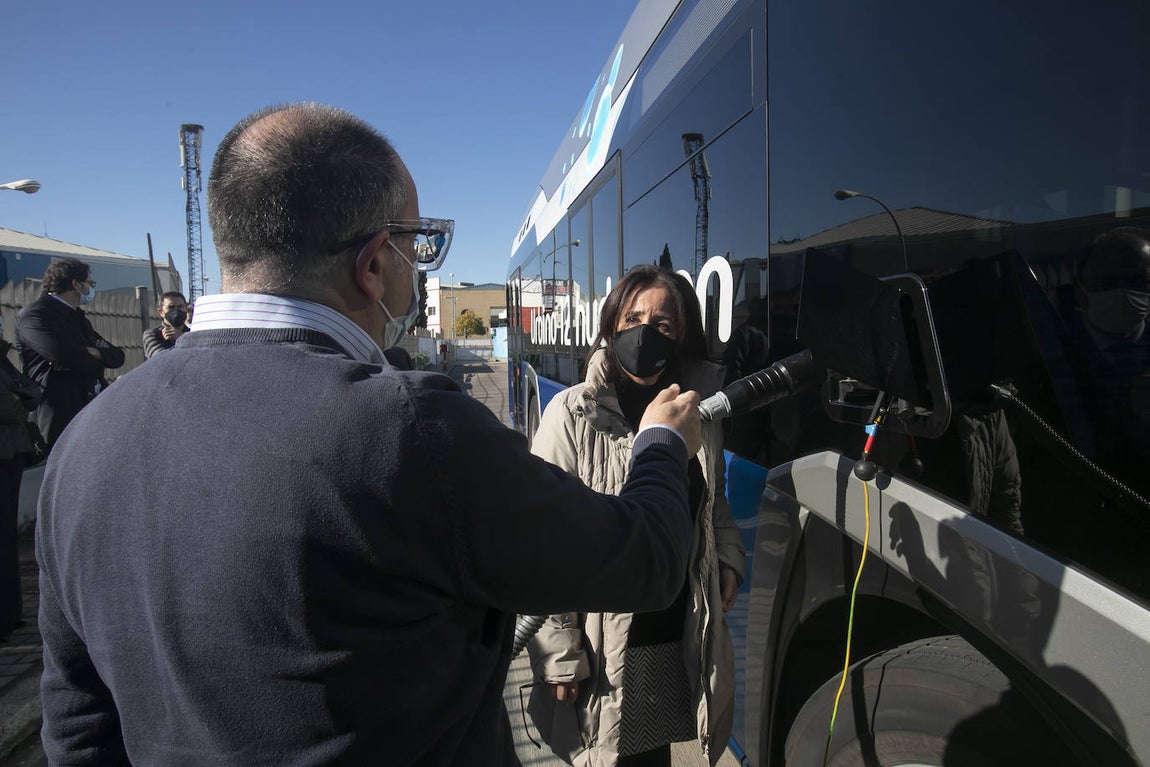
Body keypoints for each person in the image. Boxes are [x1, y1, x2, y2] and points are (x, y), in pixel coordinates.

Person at [36, 102, 704, 766]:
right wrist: (662, 443)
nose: (418, 270)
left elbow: (78, 729)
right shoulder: (414, 430)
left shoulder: (84, 446)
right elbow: (644, 558)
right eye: (415, 247)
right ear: (374, 264)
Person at [527, 264, 745, 767]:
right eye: (634, 317)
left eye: (664, 324)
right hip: (602, 649)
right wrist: (559, 652)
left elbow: (714, 503)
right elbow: (541, 542)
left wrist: (728, 555)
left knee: (656, 756)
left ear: (682, 336)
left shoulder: (696, 414)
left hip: (673, 635)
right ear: (612, 325)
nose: (646, 332)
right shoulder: (571, 413)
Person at [15, 258, 124, 452]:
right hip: (58, 415)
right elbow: (68, 358)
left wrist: (95, 351)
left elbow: (117, 356)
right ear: (76, 284)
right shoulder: (35, 316)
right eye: (89, 284)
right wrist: (96, 357)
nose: (91, 289)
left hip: (89, 409)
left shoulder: (78, 317)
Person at [0, 312, 42, 639]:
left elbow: (29, 390)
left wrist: (21, 397)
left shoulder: (4, 359)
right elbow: (12, 404)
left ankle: (10, 614)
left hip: (11, 453)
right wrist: (20, 398)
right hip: (5, 451)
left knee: (7, 540)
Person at [142, 291, 192, 358]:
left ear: (185, 309)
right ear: (161, 312)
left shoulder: (192, 334)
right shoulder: (153, 335)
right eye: (171, 307)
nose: (176, 310)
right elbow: (161, 359)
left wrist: (182, 338)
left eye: (180, 307)